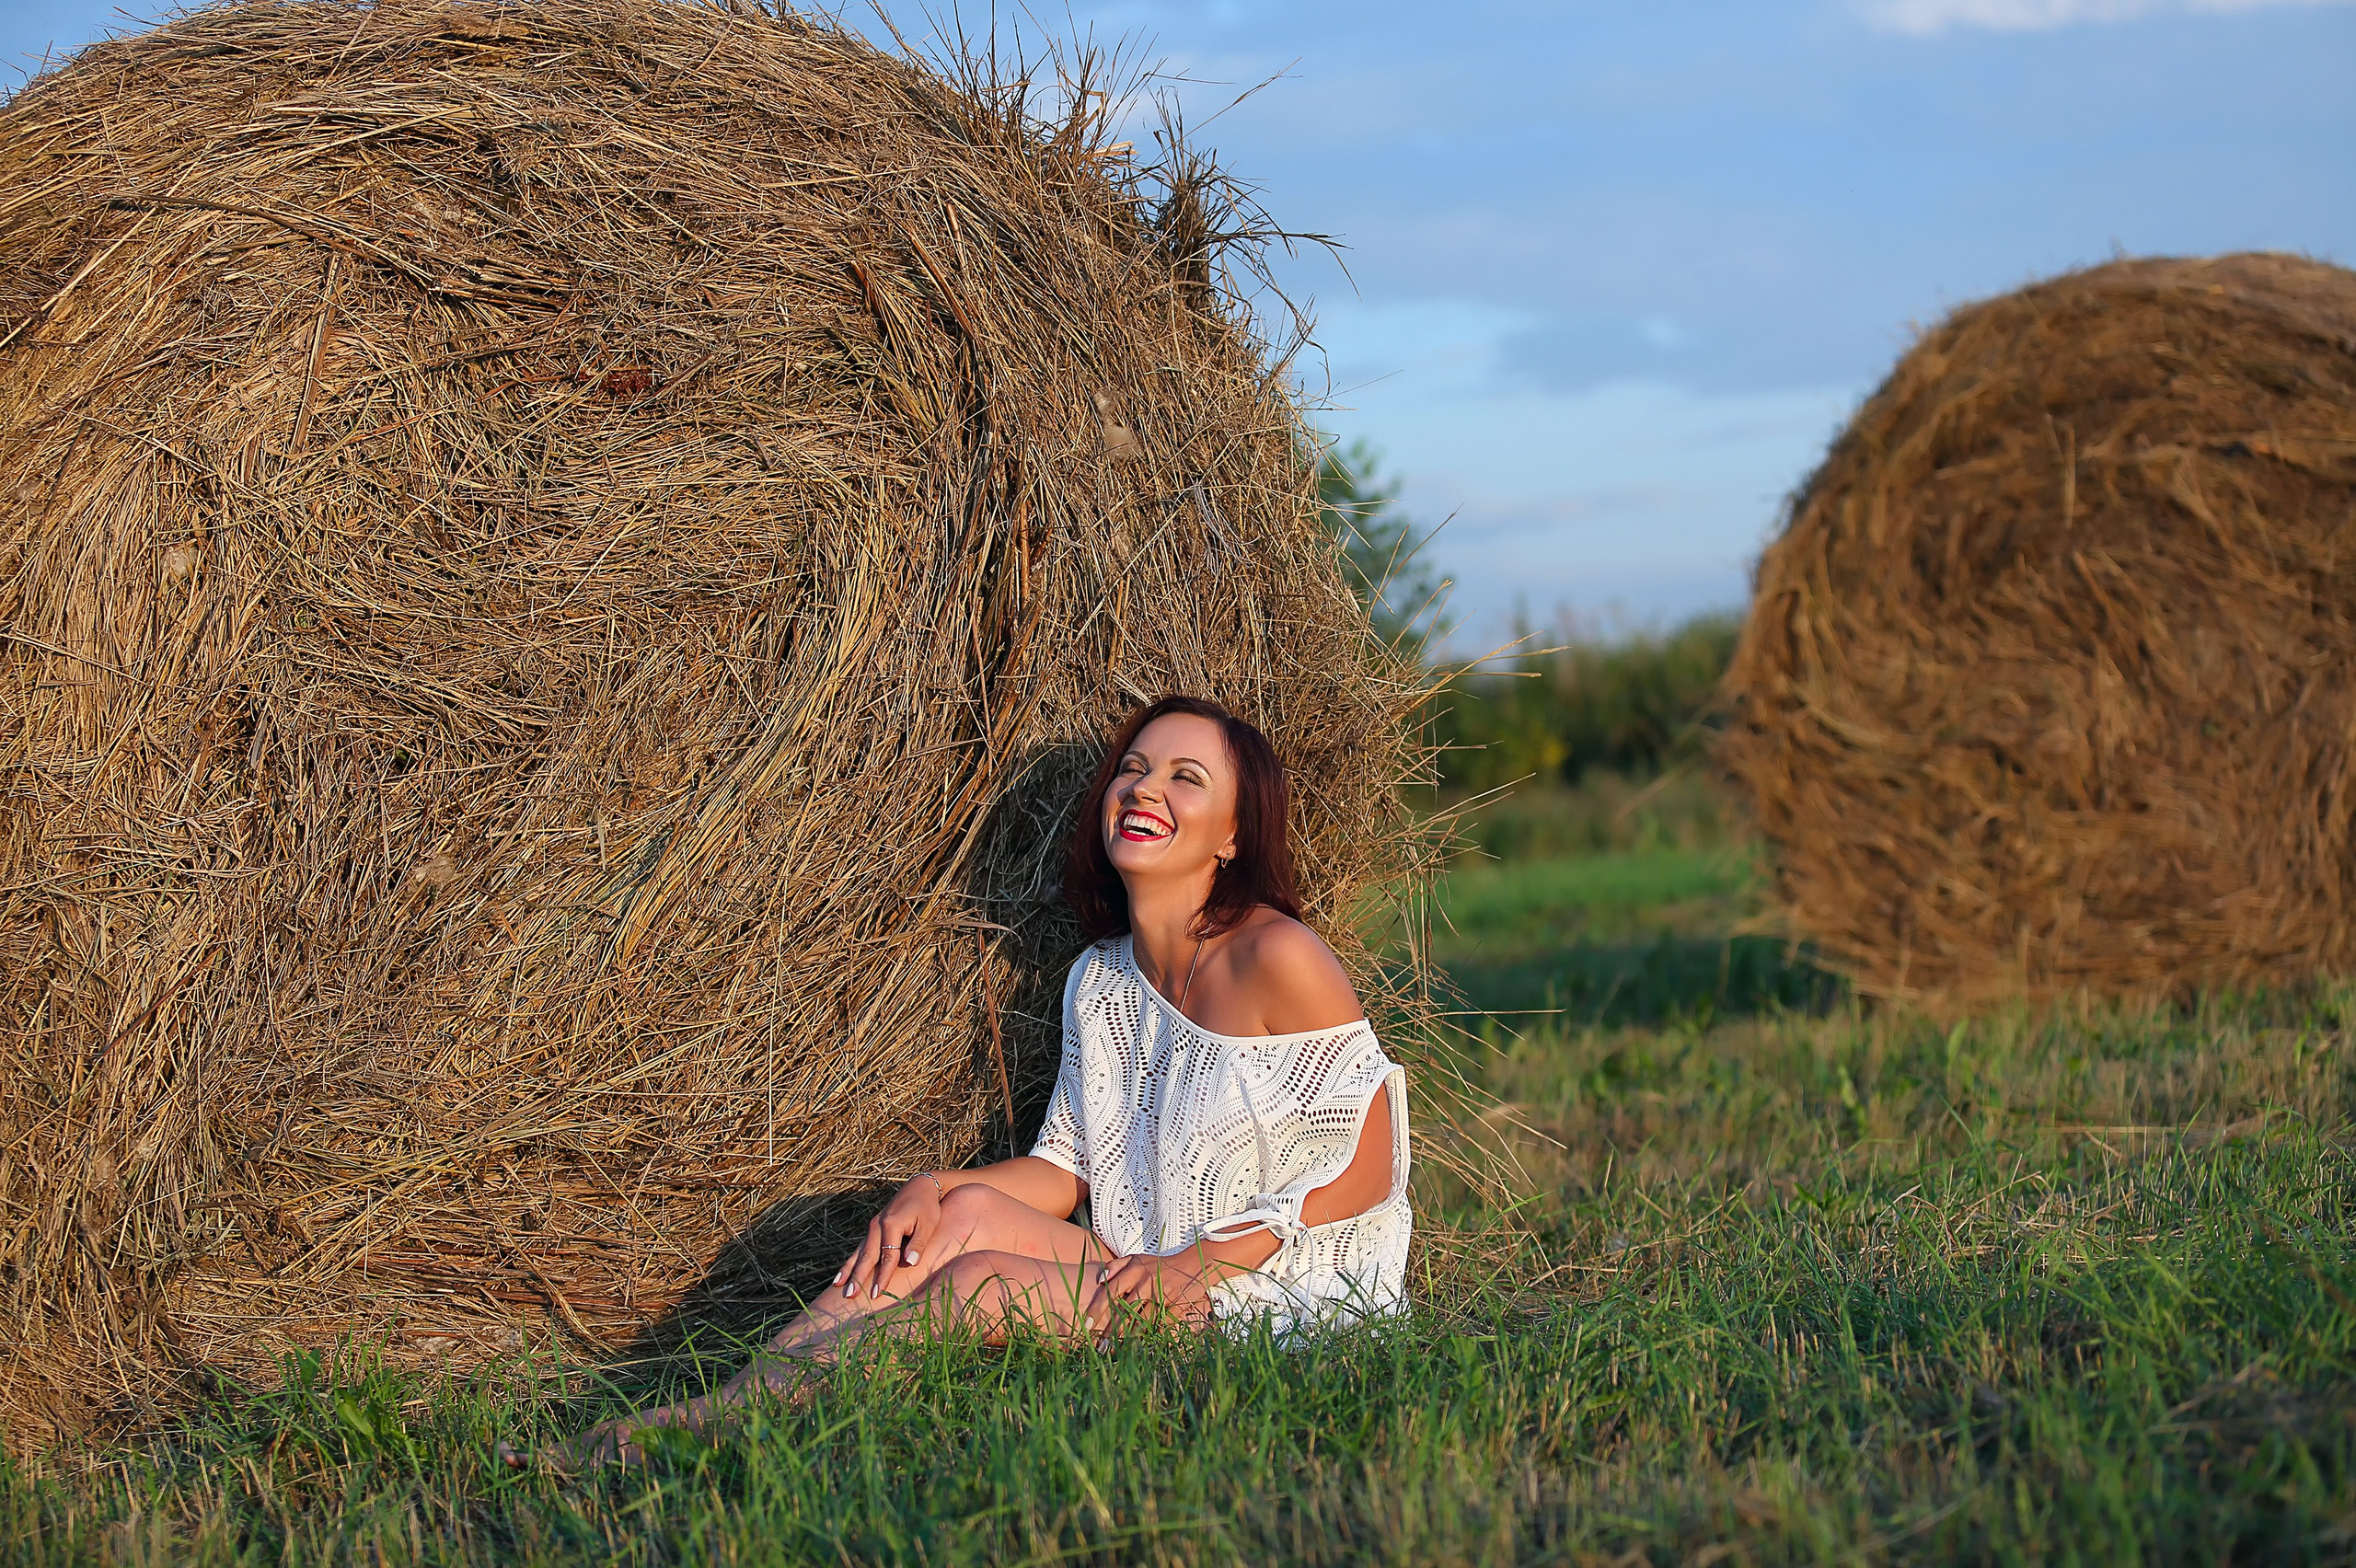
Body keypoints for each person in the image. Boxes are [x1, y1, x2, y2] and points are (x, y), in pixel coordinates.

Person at [522, 695, 1411, 1469]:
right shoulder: (1101, 982)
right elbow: (1068, 1172)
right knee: (949, 1225)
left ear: (1233, 833)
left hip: (1282, 1294)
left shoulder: (1276, 956)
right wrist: (936, 1184)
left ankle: (699, 1433)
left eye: (1186, 778)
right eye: (1132, 770)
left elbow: (1372, 1166)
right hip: (1150, 1271)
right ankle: (729, 1404)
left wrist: (1199, 1264)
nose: (1144, 790)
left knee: (982, 1278)